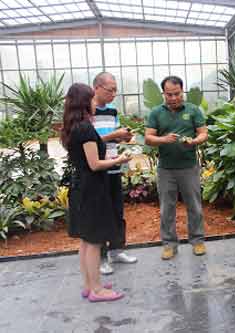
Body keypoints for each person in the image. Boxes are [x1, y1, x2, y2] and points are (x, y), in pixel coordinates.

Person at [61, 83, 131, 302]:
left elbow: (87, 159)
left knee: (85, 240)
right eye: (91, 99)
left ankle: (89, 284)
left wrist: (109, 157)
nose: (95, 102)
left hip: (81, 187)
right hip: (91, 189)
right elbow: (94, 164)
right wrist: (119, 160)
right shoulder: (85, 128)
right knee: (93, 242)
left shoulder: (73, 127)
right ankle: (97, 290)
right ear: (84, 102)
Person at [145, 76, 208, 260]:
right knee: (167, 208)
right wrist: (164, 139)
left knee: (194, 206)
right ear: (163, 93)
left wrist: (194, 141)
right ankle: (169, 244)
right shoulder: (156, 112)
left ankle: (197, 241)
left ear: (182, 91)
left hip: (188, 167)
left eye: (177, 94)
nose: (173, 98)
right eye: (169, 94)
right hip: (166, 169)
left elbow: (203, 133)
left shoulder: (193, 110)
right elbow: (149, 137)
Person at [92, 72, 138, 276]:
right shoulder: (87, 112)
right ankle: (101, 258)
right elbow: (88, 141)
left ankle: (117, 250)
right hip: (98, 169)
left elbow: (113, 138)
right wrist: (114, 135)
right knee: (100, 214)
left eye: (115, 90)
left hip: (115, 166)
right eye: (110, 90)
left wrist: (124, 137)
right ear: (97, 88)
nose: (113, 94)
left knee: (117, 211)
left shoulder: (112, 111)